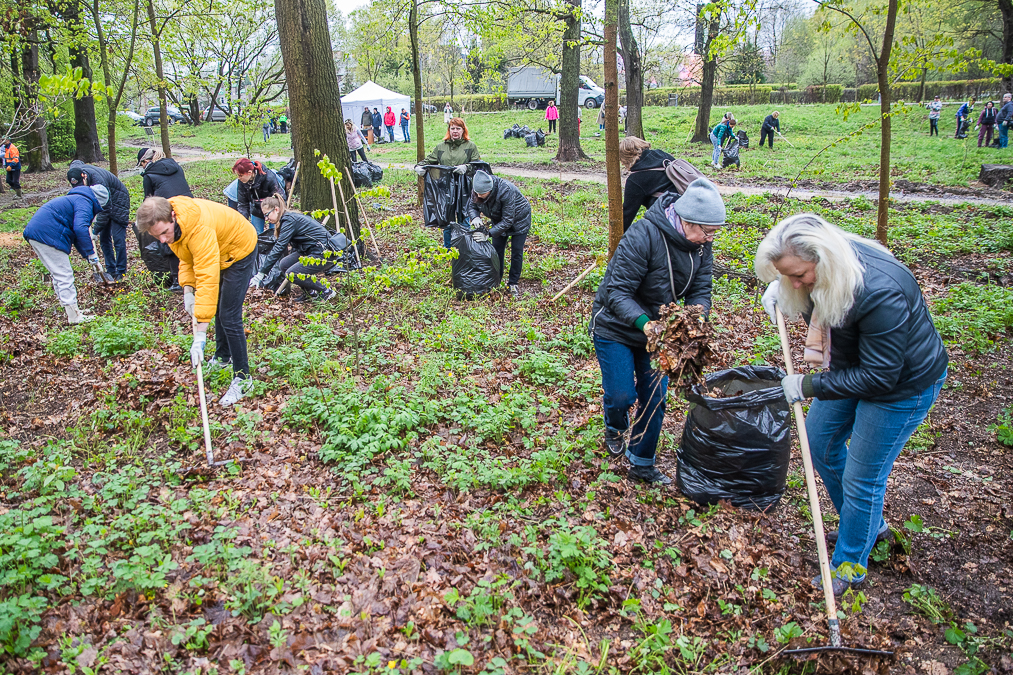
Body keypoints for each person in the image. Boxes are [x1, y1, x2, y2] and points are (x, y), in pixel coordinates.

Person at [756, 214, 948, 596]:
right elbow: (828, 316)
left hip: (901, 387)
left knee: (863, 476)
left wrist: (808, 384)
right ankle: (865, 529)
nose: (795, 283)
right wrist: (785, 288)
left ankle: (850, 564)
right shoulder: (822, 272)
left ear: (823, 260)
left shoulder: (880, 290)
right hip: (853, 367)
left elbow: (880, 377)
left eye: (799, 275)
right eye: (784, 275)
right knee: (819, 441)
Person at [590, 178, 725, 484]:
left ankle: (641, 462)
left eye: (714, 232)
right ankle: (614, 424)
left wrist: (695, 320)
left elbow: (701, 289)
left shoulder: (702, 246)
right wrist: (647, 325)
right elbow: (617, 293)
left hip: (659, 330)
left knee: (655, 396)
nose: (710, 238)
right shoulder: (643, 235)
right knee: (622, 394)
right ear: (688, 220)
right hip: (616, 326)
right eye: (707, 231)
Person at [135, 195, 258, 407]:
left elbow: (207, 278)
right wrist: (188, 290)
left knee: (229, 314)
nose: (163, 240)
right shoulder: (176, 225)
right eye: (158, 237)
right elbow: (187, 256)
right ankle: (222, 357)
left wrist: (200, 335)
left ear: (172, 216)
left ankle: (243, 379)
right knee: (220, 307)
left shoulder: (198, 228)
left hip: (239, 249)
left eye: (165, 233)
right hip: (219, 249)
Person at [23, 184, 109, 324]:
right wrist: (92, 254)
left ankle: (70, 310)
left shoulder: (78, 198)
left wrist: (89, 256)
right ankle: (74, 316)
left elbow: (77, 235)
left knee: (58, 274)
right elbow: (80, 229)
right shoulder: (85, 202)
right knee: (64, 275)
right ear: (98, 202)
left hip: (37, 233)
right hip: (47, 234)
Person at [250, 194, 337, 302]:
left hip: (324, 252)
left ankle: (326, 291)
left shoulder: (289, 221)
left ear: (276, 210)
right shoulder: (285, 220)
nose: (266, 219)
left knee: (292, 273)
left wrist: (262, 273)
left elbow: (279, 247)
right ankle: (310, 293)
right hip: (309, 250)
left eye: (267, 215)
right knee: (284, 264)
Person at [414, 117, 482, 247]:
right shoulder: (441, 147)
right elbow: (428, 161)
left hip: (464, 188)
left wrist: (466, 167)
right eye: (452, 128)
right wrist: (419, 167)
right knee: (447, 220)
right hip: (445, 189)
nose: (455, 131)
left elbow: (477, 165)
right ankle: (448, 248)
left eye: (458, 128)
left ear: (463, 130)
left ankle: (464, 248)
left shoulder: (470, 146)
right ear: (449, 130)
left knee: (464, 219)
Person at [136, 147, 193, 292]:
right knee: (189, 240)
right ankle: (193, 277)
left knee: (170, 242)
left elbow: (148, 200)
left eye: (141, 164)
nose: (142, 167)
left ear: (146, 161)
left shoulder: (149, 175)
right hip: (189, 205)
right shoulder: (176, 166)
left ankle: (177, 281)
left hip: (168, 209)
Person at [466, 171, 530, 298]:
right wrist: (475, 218)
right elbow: (471, 206)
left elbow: (508, 220)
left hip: (519, 220)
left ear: (490, 190)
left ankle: (513, 283)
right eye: (476, 193)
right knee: (496, 251)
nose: (478, 195)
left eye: (482, 194)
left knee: (516, 251)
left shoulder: (505, 191)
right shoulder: (477, 190)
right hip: (499, 220)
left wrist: (489, 234)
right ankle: (496, 280)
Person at [67, 160, 131, 281]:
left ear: (84, 176)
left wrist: (95, 231)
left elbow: (105, 209)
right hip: (106, 202)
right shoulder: (77, 175)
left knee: (118, 238)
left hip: (118, 201)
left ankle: (121, 271)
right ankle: (110, 270)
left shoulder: (98, 182)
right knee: (104, 239)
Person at [619, 136, 676, 232]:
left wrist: (617, 239)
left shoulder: (636, 179)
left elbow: (627, 214)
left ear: (625, 158)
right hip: (691, 204)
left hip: (671, 219)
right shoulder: (662, 156)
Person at [232, 158, 285, 235]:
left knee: (274, 234)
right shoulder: (242, 182)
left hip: (272, 210)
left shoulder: (269, 177)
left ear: (250, 172)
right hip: (256, 209)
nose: (239, 178)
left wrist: (278, 213)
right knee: (256, 235)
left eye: (240, 175)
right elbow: (243, 204)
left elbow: (280, 197)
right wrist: (242, 222)